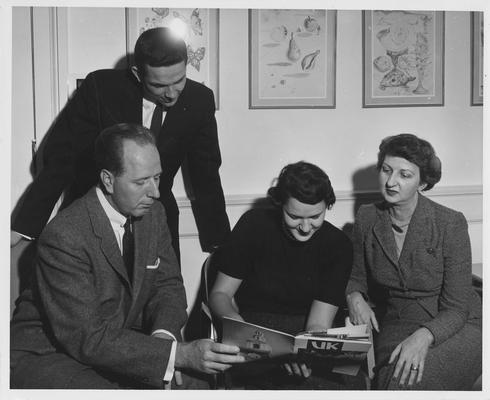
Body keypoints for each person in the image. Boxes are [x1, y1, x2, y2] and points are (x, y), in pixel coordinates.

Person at [10, 123, 244, 389]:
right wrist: (175, 355)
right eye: (141, 182)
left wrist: (164, 337)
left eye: (157, 177)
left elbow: (167, 285)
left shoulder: (153, 213)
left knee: (197, 384)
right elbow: (87, 338)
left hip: (112, 340)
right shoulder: (65, 235)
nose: (155, 192)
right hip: (50, 353)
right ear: (108, 180)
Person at [11, 27, 230, 260]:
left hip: (156, 217)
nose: (171, 94)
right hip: (94, 214)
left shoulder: (200, 100)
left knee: (163, 292)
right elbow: (62, 157)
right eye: (158, 85)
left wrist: (221, 243)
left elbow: (206, 173)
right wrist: (23, 226)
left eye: (179, 80)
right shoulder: (101, 87)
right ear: (137, 73)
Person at [346, 133, 482, 390]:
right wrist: (354, 295)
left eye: (404, 175)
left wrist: (424, 336)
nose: (391, 182)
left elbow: (456, 308)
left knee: (417, 382)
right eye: (386, 170)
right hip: (399, 321)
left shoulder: (450, 224)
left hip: (458, 324)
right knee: (394, 381)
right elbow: (356, 276)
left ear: (422, 183)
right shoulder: (367, 217)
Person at [209, 161, 360, 389]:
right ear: (280, 204)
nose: (306, 228)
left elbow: (318, 322)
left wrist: (306, 354)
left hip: (307, 334)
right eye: (295, 217)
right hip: (255, 332)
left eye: (315, 217)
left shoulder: (338, 245)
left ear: (327, 207)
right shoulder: (253, 225)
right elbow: (220, 294)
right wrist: (237, 326)